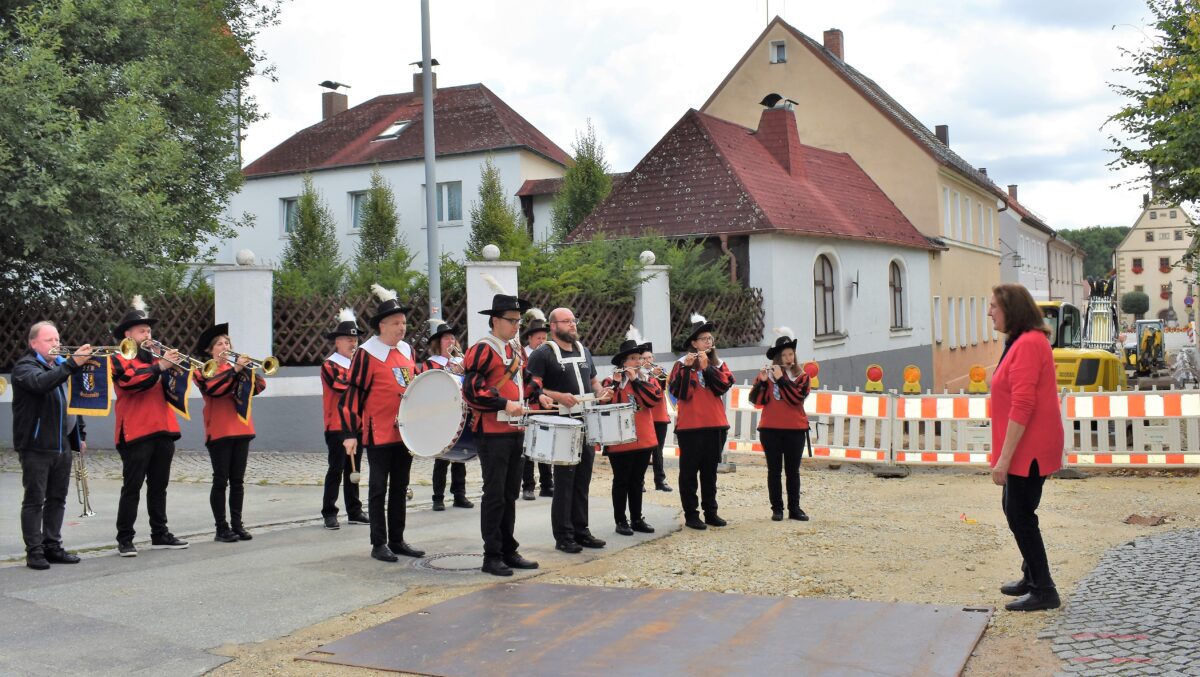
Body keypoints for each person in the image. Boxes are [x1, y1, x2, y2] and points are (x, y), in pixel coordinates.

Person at [987, 283, 1064, 612]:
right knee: (1013, 509)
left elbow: (1023, 405)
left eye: (993, 306)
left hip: (1029, 448)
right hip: (1024, 445)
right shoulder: (1018, 341)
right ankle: (1031, 575)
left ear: (1011, 310)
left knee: (1021, 515)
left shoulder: (1029, 344)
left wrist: (1003, 459)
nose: (989, 312)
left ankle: (1044, 589)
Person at [341, 284, 425, 563]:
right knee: (379, 489)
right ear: (382, 325)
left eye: (403, 322)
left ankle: (397, 539)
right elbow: (353, 395)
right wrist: (350, 433)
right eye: (396, 323)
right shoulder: (366, 354)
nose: (402, 327)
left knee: (400, 487)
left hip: (405, 432)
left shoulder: (408, 351)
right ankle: (379, 542)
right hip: (378, 432)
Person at [462, 290, 540, 576]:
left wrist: (538, 395)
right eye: (511, 320)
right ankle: (491, 555)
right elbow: (472, 390)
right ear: (495, 320)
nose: (517, 325)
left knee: (510, 493)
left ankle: (509, 549)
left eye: (519, 320)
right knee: (494, 494)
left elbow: (524, 380)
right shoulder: (483, 348)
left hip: (515, 429)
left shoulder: (514, 349)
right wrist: (504, 403)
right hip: (492, 431)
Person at [527, 307, 613, 553]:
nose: (573, 325)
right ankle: (563, 536)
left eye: (574, 321)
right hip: (561, 424)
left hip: (585, 420)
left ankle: (581, 530)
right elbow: (533, 388)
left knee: (583, 479)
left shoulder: (583, 351)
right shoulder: (543, 354)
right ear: (553, 327)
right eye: (567, 322)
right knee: (564, 481)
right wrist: (559, 396)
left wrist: (600, 393)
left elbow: (594, 381)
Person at [110, 296, 189, 556]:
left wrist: (175, 367)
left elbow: (175, 385)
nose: (149, 334)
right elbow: (131, 382)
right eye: (143, 330)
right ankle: (125, 538)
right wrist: (161, 365)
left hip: (163, 428)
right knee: (132, 487)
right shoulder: (119, 358)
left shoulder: (154, 358)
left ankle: (160, 533)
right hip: (135, 431)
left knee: (159, 487)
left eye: (149, 330)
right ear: (128, 334)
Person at [11, 321, 89, 570]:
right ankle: (34, 551)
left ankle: (52, 545)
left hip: (62, 443)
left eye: (57, 339)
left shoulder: (61, 367)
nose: (56, 344)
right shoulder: (25, 367)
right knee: (35, 499)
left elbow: (74, 403)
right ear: (33, 343)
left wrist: (80, 434)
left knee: (58, 498)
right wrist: (70, 364)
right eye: (49, 340)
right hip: (36, 445)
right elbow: (41, 384)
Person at [194, 323, 266, 543]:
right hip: (219, 430)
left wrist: (247, 370)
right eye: (219, 344)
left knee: (238, 481)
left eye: (227, 343)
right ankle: (221, 528)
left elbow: (260, 386)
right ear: (210, 350)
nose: (225, 346)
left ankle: (237, 524)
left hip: (242, 428)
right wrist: (234, 371)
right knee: (220, 480)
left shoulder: (237, 369)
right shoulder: (203, 369)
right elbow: (214, 389)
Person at [669, 313, 734, 531]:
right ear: (694, 343)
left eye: (710, 338)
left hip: (715, 424)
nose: (708, 342)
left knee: (710, 472)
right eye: (704, 339)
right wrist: (689, 369)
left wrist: (707, 368)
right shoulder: (680, 365)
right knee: (688, 473)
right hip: (690, 426)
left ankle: (711, 512)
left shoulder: (719, 363)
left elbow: (723, 386)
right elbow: (680, 393)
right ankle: (691, 514)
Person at [601, 334, 662, 536]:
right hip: (620, 441)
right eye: (633, 359)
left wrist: (636, 381)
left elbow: (652, 400)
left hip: (643, 439)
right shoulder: (611, 381)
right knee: (621, 480)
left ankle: (637, 518)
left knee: (638, 481)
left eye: (639, 358)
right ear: (623, 362)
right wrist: (618, 384)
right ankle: (621, 521)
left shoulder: (647, 380)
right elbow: (606, 406)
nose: (638, 362)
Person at [749, 328, 811, 522]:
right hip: (770, 429)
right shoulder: (768, 375)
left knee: (793, 471)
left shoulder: (802, 377)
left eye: (791, 354)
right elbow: (756, 400)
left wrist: (782, 379)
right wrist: (762, 382)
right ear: (777, 357)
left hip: (795, 430)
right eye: (784, 355)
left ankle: (795, 508)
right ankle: (777, 509)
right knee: (774, 471)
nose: (788, 358)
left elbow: (797, 397)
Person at [319, 308, 368, 530]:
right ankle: (329, 511)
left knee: (354, 470)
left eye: (355, 339)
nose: (353, 343)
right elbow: (342, 385)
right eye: (349, 339)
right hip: (336, 425)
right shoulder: (329, 364)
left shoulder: (355, 365)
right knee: (336, 469)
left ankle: (354, 510)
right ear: (337, 342)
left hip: (355, 424)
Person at [423, 321, 473, 512]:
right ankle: (438, 497)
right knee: (442, 457)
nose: (451, 341)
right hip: (441, 414)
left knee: (460, 455)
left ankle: (459, 494)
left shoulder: (461, 362)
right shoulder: (431, 363)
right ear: (438, 342)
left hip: (459, 411)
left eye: (453, 337)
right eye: (446, 338)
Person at [519, 308, 554, 500]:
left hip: (545, 404)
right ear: (530, 338)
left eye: (544, 337)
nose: (541, 341)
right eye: (538, 338)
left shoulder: (550, 354)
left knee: (545, 444)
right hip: (528, 404)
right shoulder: (524, 356)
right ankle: (528, 485)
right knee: (528, 447)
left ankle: (547, 484)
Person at [639, 344, 672, 493]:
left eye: (649, 357)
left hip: (659, 416)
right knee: (643, 450)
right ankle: (640, 481)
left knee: (658, 450)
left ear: (654, 358)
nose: (647, 360)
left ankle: (660, 480)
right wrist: (651, 374)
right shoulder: (638, 375)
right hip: (646, 416)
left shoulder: (660, 371)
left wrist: (658, 374)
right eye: (644, 358)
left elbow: (666, 385)